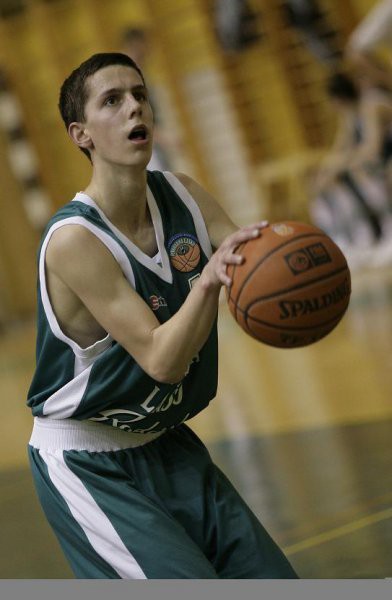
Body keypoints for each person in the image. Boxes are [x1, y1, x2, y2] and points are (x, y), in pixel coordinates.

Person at [26, 52, 298, 579]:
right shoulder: (75, 241)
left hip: (166, 440)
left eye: (140, 95)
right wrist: (212, 279)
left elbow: (252, 270)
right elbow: (162, 359)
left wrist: (283, 264)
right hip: (91, 462)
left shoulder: (183, 195)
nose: (135, 109)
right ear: (81, 135)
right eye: (113, 100)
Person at [311, 70, 392, 264]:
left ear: (338, 98)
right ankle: (350, 236)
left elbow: (373, 148)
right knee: (327, 181)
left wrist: (345, 164)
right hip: (381, 161)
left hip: (387, 158)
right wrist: (325, 173)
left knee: (359, 170)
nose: (331, 107)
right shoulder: (350, 114)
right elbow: (339, 150)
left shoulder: (372, 105)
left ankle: (387, 228)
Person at [121, 27, 177, 171]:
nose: (148, 49)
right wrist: (164, 139)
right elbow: (136, 121)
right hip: (143, 146)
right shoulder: (128, 78)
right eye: (145, 44)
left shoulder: (141, 74)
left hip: (152, 143)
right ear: (136, 44)